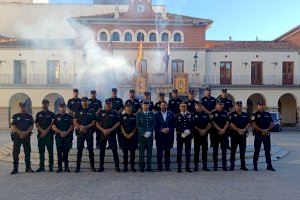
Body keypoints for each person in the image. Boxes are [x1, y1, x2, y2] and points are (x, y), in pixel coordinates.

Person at [96, 99, 121, 172]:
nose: (108, 105)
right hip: (103, 133)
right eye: (107, 104)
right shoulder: (101, 112)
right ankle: (101, 167)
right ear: (105, 104)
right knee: (102, 151)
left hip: (112, 133)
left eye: (109, 104)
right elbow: (97, 123)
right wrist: (103, 130)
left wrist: (111, 129)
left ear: (111, 104)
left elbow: (118, 123)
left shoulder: (115, 112)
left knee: (114, 150)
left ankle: (117, 166)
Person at [10, 102, 34, 175]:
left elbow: (31, 125)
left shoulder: (29, 116)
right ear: (19, 107)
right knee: (15, 153)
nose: (22, 108)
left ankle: (28, 167)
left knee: (27, 152)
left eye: (23, 106)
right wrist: (20, 133)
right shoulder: (15, 116)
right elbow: (12, 126)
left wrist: (26, 133)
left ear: (25, 107)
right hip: (17, 137)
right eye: (20, 107)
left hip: (26, 137)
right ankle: (15, 168)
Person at [73, 97, 96, 172]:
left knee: (90, 150)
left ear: (88, 102)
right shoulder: (78, 111)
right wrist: (80, 127)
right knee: (79, 150)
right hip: (81, 133)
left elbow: (94, 122)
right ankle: (78, 167)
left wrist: (85, 127)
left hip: (89, 132)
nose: (84, 102)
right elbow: (75, 121)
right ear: (81, 102)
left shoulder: (92, 111)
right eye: (83, 101)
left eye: (85, 101)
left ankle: (92, 167)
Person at [251, 101, 276, 171]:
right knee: (257, 150)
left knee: (267, 151)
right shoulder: (254, 114)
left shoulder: (267, 114)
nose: (261, 106)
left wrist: (268, 129)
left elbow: (272, 123)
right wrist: (261, 130)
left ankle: (269, 166)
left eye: (262, 105)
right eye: (260, 105)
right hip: (258, 134)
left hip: (266, 135)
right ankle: (255, 166)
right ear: (257, 106)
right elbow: (253, 124)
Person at [52, 103, 74, 173]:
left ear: (65, 108)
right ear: (59, 108)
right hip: (59, 137)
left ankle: (66, 167)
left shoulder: (69, 116)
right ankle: (60, 167)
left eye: (63, 107)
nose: (62, 108)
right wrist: (61, 132)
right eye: (61, 107)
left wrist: (66, 132)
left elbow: (72, 126)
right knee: (59, 152)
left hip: (67, 137)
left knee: (66, 151)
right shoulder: (56, 116)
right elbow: (53, 126)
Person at [229, 101, 250, 171]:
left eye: (240, 105)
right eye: (238, 105)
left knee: (242, 151)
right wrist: (238, 130)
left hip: (243, 135)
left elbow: (248, 123)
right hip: (234, 135)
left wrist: (244, 130)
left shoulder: (245, 114)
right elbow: (231, 124)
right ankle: (232, 165)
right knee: (233, 151)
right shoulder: (232, 114)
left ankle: (243, 165)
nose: (239, 107)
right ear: (235, 106)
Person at [35, 99, 55, 173]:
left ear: (48, 105)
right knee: (41, 152)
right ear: (42, 104)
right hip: (41, 136)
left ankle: (50, 166)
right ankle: (41, 166)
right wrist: (42, 131)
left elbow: (52, 124)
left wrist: (45, 131)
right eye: (43, 104)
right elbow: (36, 123)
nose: (44, 105)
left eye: (46, 104)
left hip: (49, 135)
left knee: (50, 151)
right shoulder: (38, 114)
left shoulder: (52, 114)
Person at [155, 101, 175, 171]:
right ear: (160, 106)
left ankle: (167, 167)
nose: (163, 106)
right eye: (162, 105)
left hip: (168, 136)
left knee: (167, 152)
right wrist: (161, 129)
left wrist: (168, 129)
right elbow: (155, 124)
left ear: (167, 106)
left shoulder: (171, 114)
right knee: (159, 152)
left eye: (164, 105)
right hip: (160, 136)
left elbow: (173, 124)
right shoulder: (156, 114)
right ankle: (159, 167)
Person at [136, 100, 155, 172]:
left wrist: (150, 131)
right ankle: (141, 167)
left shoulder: (152, 114)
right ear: (142, 106)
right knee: (141, 152)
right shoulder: (138, 114)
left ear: (149, 106)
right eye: (144, 105)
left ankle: (149, 167)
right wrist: (144, 132)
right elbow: (138, 125)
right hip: (142, 136)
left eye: (147, 105)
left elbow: (154, 124)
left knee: (149, 152)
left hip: (149, 136)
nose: (146, 106)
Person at [211, 99, 230, 171]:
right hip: (216, 134)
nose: (220, 105)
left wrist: (224, 129)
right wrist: (219, 129)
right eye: (219, 104)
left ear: (223, 105)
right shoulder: (213, 112)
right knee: (215, 150)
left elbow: (227, 122)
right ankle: (215, 166)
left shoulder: (225, 113)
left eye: (221, 104)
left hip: (224, 134)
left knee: (224, 150)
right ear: (216, 105)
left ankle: (224, 165)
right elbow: (213, 122)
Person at [175, 102, 194, 173]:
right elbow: (176, 126)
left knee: (188, 152)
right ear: (179, 107)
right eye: (182, 106)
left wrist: (189, 131)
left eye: (184, 106)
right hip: (180, 136)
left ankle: (187, 167)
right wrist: (183, 131)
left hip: (188, 136)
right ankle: (179, 167)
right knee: (179, 152)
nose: (183, 107)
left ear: (186, 107)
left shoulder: (190, 115)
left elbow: (192, 124)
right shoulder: (176, 115)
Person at [119, 104, 138, 172]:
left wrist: (132, 134)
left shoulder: (134, 116)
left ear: (131, 108)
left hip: (133, 137)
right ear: (125, 109)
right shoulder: (122, 116)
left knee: (132, 154)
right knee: (125, 154)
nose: (128, 109)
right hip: (124, 137)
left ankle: (132, 167)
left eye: (130, 108)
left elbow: (136, 126)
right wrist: (125, 134)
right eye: (127, 108)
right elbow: (121, 126)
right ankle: (125, 167)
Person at [193, 102, 211, 171]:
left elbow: (209, 124)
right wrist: (200, 130)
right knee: (196, 151)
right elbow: (192, 124)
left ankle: (205, 165)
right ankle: (196, 166)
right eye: (198, 106)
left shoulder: (206, 114)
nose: (199, 107)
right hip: (197, 135)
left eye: (201, 106)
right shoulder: (193, 114)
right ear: (195, 107)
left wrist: (205, 130)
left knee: (204, 151)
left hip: (204, 135)